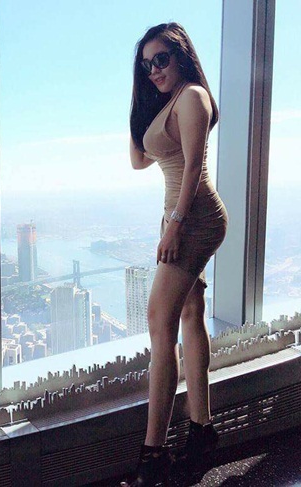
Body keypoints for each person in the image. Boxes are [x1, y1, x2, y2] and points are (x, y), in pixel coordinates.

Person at [123, 22, 228, 486]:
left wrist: (177, 226)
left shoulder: (193, 98)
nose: (155, 70)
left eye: (161, 59)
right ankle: (202, 430)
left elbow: (193, 170)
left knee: (158, 321)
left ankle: (154, 456)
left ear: (182, 55)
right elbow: (138, 160)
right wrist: (137, 99)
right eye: (147, 65)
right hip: (176, 219)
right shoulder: (166, 102)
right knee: (189, 311)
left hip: (195, 218)